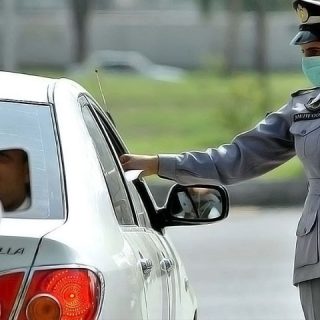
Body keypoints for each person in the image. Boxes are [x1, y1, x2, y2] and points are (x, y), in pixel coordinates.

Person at [120, 1, 320, 318]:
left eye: (318, 50)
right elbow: (236, 158)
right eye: (309, 53)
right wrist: (159, 163)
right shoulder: (303, 109)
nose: (313, 60)